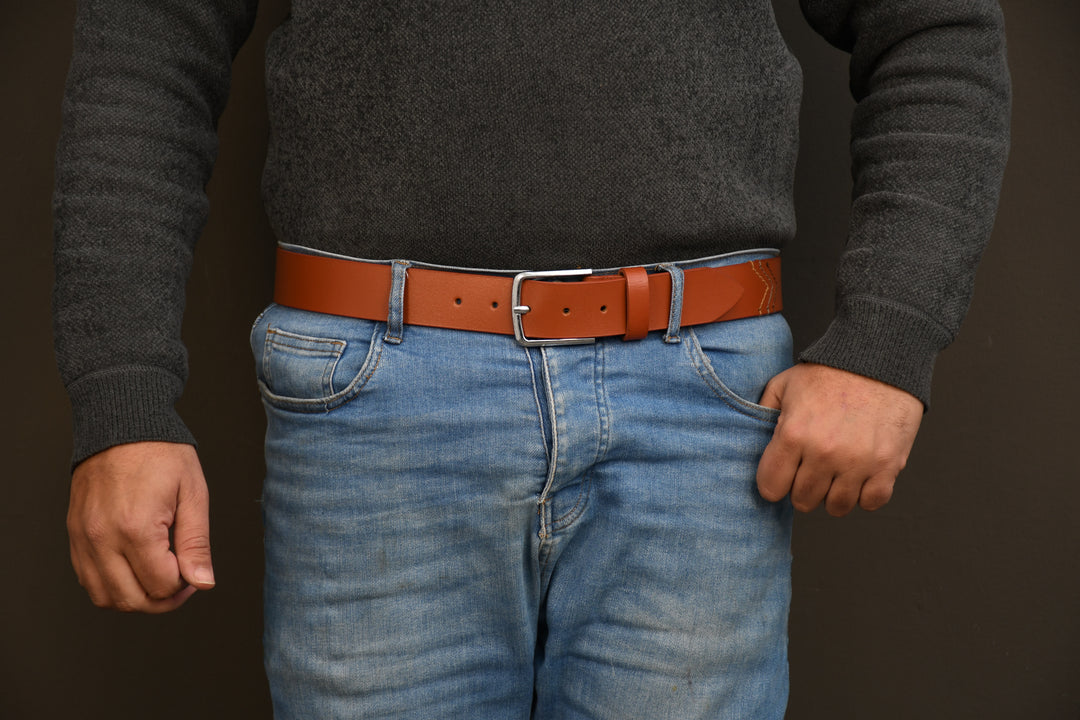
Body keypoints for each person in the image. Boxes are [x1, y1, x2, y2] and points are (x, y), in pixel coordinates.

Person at [53, 1, 1010, 718]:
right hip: (374, 401)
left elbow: (937, 30)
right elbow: (145, 52)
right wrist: (120, 395)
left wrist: (887, 339)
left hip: (704, 403)